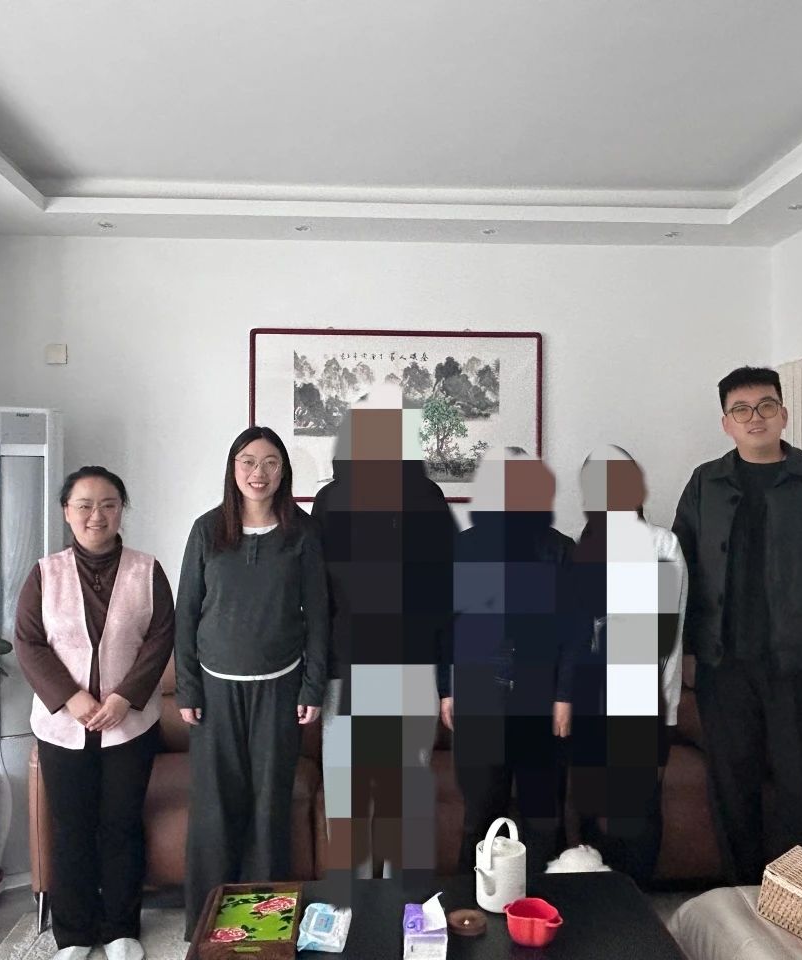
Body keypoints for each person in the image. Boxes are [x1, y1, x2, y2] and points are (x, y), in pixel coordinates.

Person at [673, 366, 802, 884]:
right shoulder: (705, 482)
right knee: (731, 786)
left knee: (800, 785)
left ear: (783, 414)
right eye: (741, 410)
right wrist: (683, 652)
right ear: (726, 424)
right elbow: (680, 570)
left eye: (766, 406)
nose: (755, 418)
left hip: (801, 664)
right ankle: (743, 893)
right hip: (723, 665)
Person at [15, 466, 174, 960]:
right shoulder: (45, 573)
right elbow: (29, 643)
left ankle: (122, 928)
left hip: (130, 724)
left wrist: (125, 697)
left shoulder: (147, 570)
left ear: (121, 510)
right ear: (66, 512)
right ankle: (75, 934)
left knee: (121, 825)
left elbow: (161, 638)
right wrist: (72, 698)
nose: (96, 515)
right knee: (71, 829)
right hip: (63, 725)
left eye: (108, 504)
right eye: (84, 505)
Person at [174, 426, 328, 937]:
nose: (258, 473)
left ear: (283, 471)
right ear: (233, 468)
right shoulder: (207, 530)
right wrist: (188, 688)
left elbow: (318, 616)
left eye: (270, 462)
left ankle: (262, 928)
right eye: (247, 461)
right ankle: (207, 926)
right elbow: (186, 613)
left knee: (269, 808)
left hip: (280, 689)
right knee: (215, 810)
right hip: (215, 692)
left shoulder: (302, 533)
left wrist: (311, 687)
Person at [310, 384, 457, 881]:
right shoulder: (330, 501)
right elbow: (316, 594)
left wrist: (447, 681)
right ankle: (354, 904)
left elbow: (447, 594)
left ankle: (401, 903)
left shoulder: (428, 498)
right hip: (346, 668)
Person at [440, 447, 576, 881]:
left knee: (543, 815)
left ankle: (543, 903)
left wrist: (565, 696)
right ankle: (471, 902)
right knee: (480, 816)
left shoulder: (560, 549)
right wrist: (446, 689)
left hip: (542, 698)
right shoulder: (463, 547)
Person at [571, 445, 686, 887]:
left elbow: (667, 637)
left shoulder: (661, 544)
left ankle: (635, 904)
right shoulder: (580, 547)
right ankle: (598, 901)